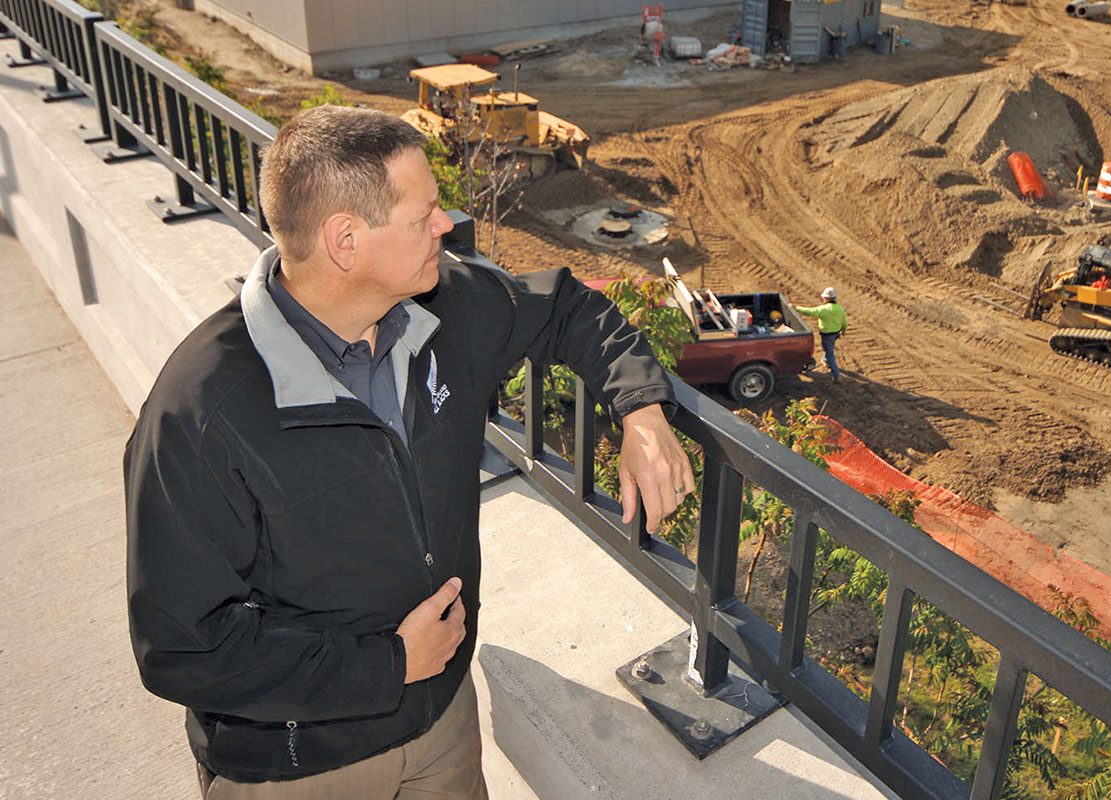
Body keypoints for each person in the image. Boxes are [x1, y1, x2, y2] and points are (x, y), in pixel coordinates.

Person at [124, 105, 695, 800]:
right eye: (422, 214)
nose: (446, 224)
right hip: (300, 765)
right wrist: (389, 664)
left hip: (442, 723)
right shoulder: (200, 414)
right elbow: (183, 649)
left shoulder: (445, 305)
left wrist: (640, 410)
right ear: (346, 241)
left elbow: (568, 306)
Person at [794, 287, 848, 382]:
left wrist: (795, 308)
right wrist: (843, 330)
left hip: (827, 334)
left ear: (826, 298)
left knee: (829, 352)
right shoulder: (839, 308)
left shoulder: (823, 309)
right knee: (829, 347)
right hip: (836, 333)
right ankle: (826, 360)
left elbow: (810, 312)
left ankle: (836, 374)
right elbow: (844, 321)